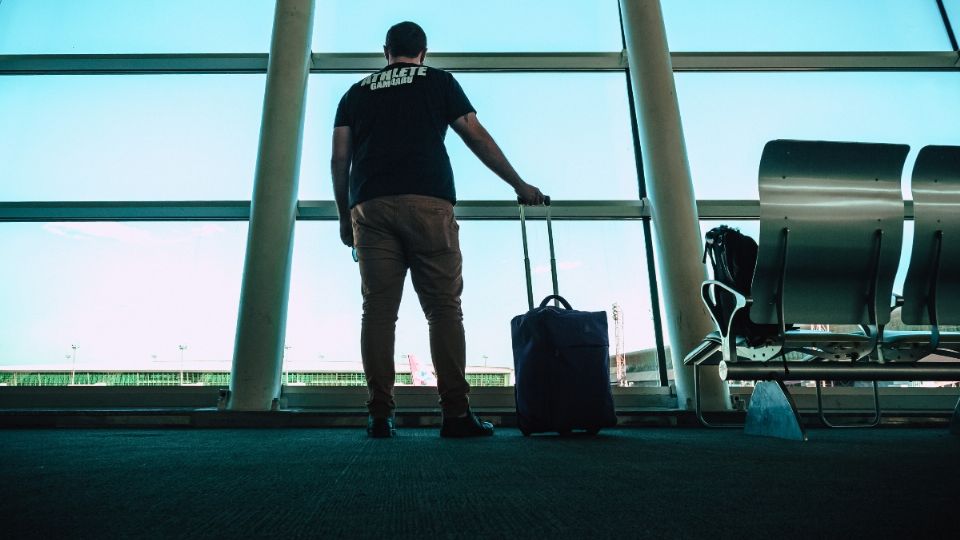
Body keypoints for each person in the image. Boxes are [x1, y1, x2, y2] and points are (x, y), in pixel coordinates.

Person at [331, 21, 546, 438]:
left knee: (377, 313)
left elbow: (340, 159)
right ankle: (455, 414)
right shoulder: (439, 82)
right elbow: (475, 136)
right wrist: (519, 184)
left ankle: (378, 415)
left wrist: (345, 215)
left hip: (370, 207)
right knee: (444, 310)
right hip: (428, 203)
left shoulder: (354, 93)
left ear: (385, 51)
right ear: (423, 52)